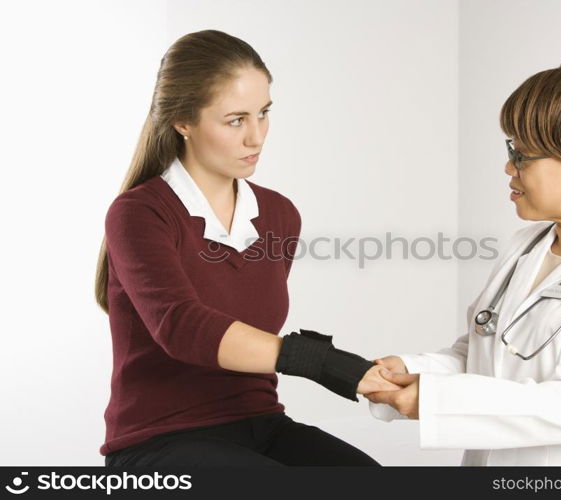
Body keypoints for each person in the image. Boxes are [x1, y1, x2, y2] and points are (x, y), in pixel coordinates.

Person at [94, 29, 399, 467]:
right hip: (158, 442)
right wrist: (327, 364)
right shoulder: (140, 213)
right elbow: (183, 327)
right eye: (236, 120)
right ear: (183, 121)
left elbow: (247, 331)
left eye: (264, 113)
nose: (256, 137)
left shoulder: (278, 215)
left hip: (260, 425)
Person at [363, 59, 561, 466]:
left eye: (523, 155)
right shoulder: (526, 247)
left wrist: (436, 400)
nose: (509, 167)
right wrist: (409, 370)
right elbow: (484, 355)